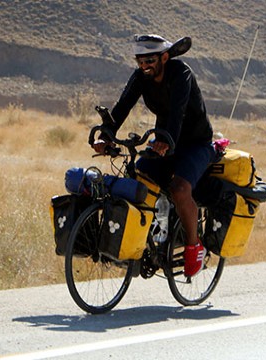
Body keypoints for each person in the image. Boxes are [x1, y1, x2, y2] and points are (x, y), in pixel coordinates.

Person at [92, 34, 215, 277]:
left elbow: (178, 112)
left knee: (179, 189)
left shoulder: (181, 73)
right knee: (140, 179)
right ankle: (148, 239)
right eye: (140, 61)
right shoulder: (141, 77)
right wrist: (106, 135)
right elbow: (122, 106)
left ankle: (194, 245)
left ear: (164, 57)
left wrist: (165, 140)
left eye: (149, 60)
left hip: (195, 143)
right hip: (165, 140)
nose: (144, 66)